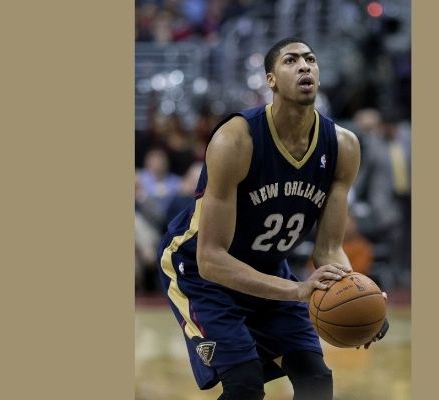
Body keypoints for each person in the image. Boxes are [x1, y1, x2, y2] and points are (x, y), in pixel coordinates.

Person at [156, 37, 389, 400]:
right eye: (291, 60)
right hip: (201, 274)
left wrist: (360, 293)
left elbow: (328, 250)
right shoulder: (236, 140)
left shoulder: (343, 146)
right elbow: (211, 258)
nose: (304, 66)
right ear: (271, 80)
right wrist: (297, 291)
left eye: (310, 59)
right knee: (245, 384)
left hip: (267, 269)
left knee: (315, 381)